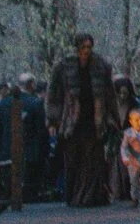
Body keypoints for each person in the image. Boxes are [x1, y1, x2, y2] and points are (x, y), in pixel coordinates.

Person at [49, 36, 120, 207]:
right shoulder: (64, 67)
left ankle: (91, 196)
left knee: (93, 160)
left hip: (94, 119)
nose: (87, 50)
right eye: (83, 46)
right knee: (73, 158)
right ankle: (74, 196)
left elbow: (109, 94)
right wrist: (53, 120)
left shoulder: (101, 66)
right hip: (72, 119)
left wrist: (113, 118)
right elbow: (54, 94)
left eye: (89, 46)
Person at [120, 109, 140, 207]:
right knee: (133, 180)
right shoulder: (128, 133)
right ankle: (134, 198)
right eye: (136, 120)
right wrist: (125, 157)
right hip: (133, 160)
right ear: (131, 121)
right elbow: (123, 147)